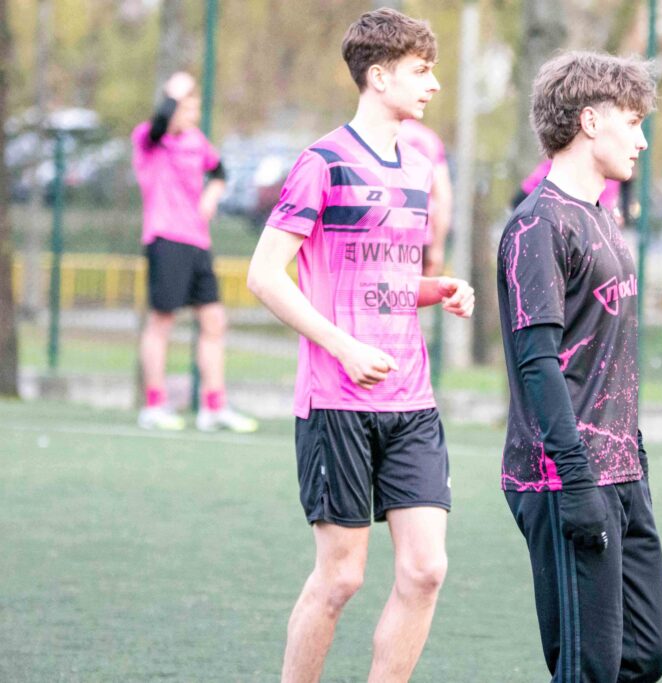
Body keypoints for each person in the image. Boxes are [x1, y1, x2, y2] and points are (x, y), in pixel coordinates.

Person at [246, 9, 474, 683]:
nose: (433, 84)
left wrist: (435, 289)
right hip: (337, 401)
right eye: (420, 71)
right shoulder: (322, 163)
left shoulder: (419, 166)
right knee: (341, 578)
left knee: (426, 568)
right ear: (378, 76)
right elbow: (265, 275)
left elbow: (382, 278)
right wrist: (343, 347)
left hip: (411, 400)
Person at [496, 51, 662, 682]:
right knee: (588, 669)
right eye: (633, 122)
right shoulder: (538, 225)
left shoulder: (598, 216)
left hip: (621, 470)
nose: (642, 141)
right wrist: (575, 482)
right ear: (591, 121)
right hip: (564, 478)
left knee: (642, 656)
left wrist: (633, 459)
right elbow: (538, 363)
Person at [131, 71, 258, 433]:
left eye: (194, 107)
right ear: (171, 106)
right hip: (165, 238)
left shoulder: (196, 141)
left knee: (214, 321)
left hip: (197, 242)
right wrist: (172, 94)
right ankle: (154, 405)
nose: (192, 114)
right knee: (161, 322)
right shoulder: (149, 139)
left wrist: (211, 196)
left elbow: (219, 172)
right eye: (186, 107)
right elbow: (159, 123)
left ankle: (213, 407)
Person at [398, 119, 452, 276]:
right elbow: (442, 196)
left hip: (377, 240)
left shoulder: (372, 135)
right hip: (419, 238)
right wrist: (437, 248)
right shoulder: (428, 139)